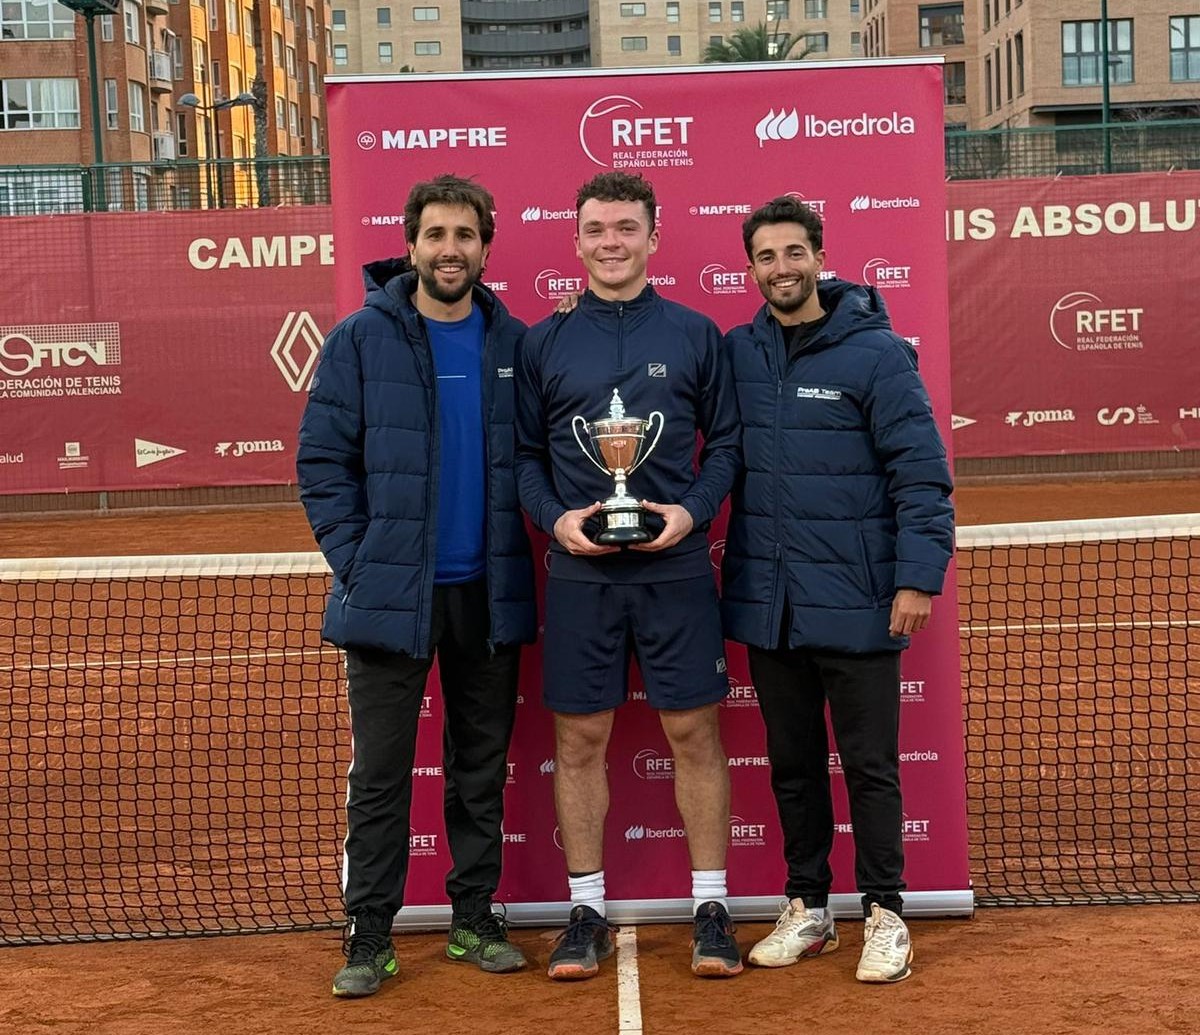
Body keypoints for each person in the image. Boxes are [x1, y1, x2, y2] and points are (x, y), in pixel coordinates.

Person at [297, 174, 537, 998]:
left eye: (465, 235)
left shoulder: (514, 341)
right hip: (389, 597)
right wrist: (359, 561)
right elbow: (321, 463)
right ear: (411, 245)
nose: (449, 249)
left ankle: (474, 916)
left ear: (484, 246)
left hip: (489, 592)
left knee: (479, 767)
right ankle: (369, 933)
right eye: (435, 234)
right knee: (382, 775)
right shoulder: (360, 339)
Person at [515, 171, 743, 980]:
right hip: (579, 575)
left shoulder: (695, 333)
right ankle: (585, 911)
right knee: (579, 738)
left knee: (694, 733)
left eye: (625, 227)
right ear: (574, 240)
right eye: (596, 229)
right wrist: (558, 519)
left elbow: (727, 449)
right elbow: (523, 459)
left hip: (676, 567)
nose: (611, 242)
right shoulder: (542, 340)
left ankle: (711, 905)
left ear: (654, 237)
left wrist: (690, 513)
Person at [720, 197, 954, 984]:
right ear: (750, 268)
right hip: (771, 604)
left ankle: (885, 911)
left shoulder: (879, 354)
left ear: (819, 255)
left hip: (858, 601)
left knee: (870, 766)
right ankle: (808, 905)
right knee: (792, 765)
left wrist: (917, 577)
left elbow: (921, 476)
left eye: (793, 252)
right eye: (765, 257)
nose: (780, 268)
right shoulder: (737, 353)